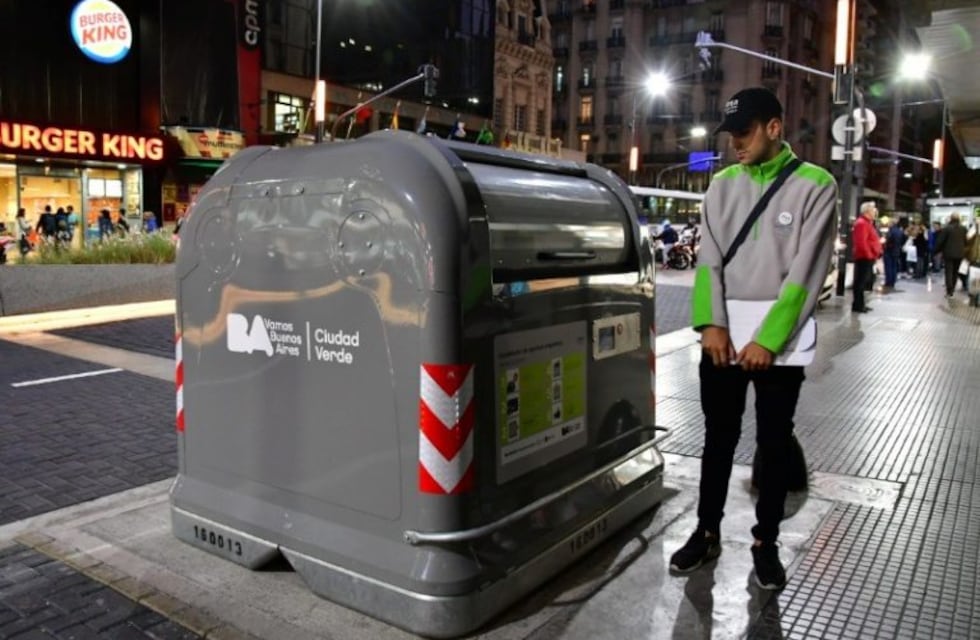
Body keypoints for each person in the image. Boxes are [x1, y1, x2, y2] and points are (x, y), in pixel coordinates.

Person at [669, 87, 837, 591]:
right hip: (723, 340)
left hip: (777, 346)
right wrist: (711, 325)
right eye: (730, 135)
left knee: (773, 443)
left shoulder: (816, 185)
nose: (734, 144)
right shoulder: (721, 185)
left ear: (773, 127)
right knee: (717, 440)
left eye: (743, 133)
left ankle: (766, 542)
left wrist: (769, 340)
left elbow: (807, 271)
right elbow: (708, 263)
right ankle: (706, 529)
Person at [851, 201, 881, 312]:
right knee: (860, 282)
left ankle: (860, 304)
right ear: (867, 211)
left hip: (868, 257)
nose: (875, 211)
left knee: (863, 282)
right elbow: (861, 242)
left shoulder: (867, 223)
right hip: (864, 257)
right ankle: (858, 305)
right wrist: (869, 255)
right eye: (873, 209)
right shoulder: (862, 223)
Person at [934, 213, 967, 298]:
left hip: (948, 254)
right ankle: (952, 290)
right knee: (955, 272)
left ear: (951, 219)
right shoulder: (963, 229)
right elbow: (966, 241)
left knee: (948, 272)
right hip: (959, 254)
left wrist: (935, 251)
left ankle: (949, 291)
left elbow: (940, 241)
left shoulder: (947, 229)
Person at [882, 217, 906, 290]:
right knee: (894, 266)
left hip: (889, 251)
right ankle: (893, 281)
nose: (888, 224)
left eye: (889, 223)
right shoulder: (900, 231)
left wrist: (885, 243)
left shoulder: (891, 231)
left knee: (888, 267)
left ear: (892, 223)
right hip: (896, 251)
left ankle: (888, 281)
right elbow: (904, 239)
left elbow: (888, 240)